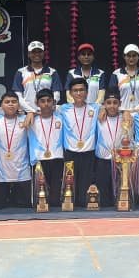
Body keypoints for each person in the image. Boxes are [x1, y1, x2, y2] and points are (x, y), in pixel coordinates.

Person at [60, 78, 100, 206]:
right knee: (70, 188)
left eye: (81, 90)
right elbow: (44, 110)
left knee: (84, 193)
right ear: (70, 93)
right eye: (75, 90)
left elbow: (113, 109)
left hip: (89, 151)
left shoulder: (96, 108)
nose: (78, 93)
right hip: (70, 152)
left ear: (87, 92)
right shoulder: (63, 109)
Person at [0, 93, 31, 209]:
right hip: (0, 171)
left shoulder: (25, 119)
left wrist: (31, 112)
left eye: (14, 102)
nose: (10, 104)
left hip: (21, 169)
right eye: (7, 102)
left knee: (25, 206)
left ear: (19, 105)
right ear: (1, 105)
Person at [28, 89, 65, 206]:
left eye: (49, 101)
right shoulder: (31, 120)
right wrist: (31, 113)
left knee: (55, 201)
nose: (46, 104)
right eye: (42, 101)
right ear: (37, 103)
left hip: (57, 158)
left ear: (54, 102)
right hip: (39, 160)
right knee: (40, 199)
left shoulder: (61, 118)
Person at [93, 91, 128, 207]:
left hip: (120, 161)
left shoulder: (125, 118)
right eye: (108, 103)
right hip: (102, 161)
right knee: (103, 201)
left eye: (115, 103)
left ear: (120, 103)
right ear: (104, 104)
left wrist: (126, 111)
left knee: (118, 197)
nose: (112, 106)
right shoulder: (98, 118)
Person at [13, 41, 62, 115]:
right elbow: (18, 95)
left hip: (47, 113)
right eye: (33, 52)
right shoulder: (21, 72)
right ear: (29, 54)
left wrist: (47, 107)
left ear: (43, 54)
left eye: (39, 51)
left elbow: (56, 94)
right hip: (27, 114)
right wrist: (31, 111)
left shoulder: (52, 72)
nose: (37, 54)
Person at [108, 43, 139, 111]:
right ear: (124, 57)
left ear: (138, 56)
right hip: (122, 112)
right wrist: (122, 110)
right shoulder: (116, 74)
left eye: (134, 55)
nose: (131, 58)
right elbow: (112, 94)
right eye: (128, 56)